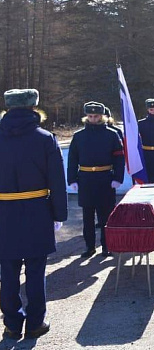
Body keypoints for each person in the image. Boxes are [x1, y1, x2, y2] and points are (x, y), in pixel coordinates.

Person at [0, 89, 67, 340]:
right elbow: (57, 181)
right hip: (37, 212)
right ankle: (35, 322)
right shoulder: (45, 138)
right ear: (32, 107)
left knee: (7, 273)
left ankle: (13, 324)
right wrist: (59, 213)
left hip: (3, 214)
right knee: (36, 272)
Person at [67, 102, 125, 258]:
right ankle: (89, 246)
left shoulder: (111, 134)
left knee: (106, 215)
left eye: (96, 116)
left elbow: (119, 158)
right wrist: (72, 179)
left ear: (103, 116)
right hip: (85, 179)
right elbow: (72, 159)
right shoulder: (79, 136)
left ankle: (107, 246)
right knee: (87, 216)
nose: (93, 119)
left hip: (105, 178)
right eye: (90, 116)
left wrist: (118, 178)